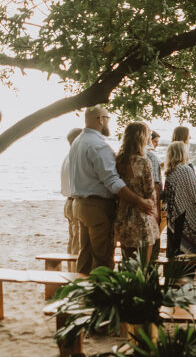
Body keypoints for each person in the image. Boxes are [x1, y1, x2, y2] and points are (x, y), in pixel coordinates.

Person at [69, 106, 154, 274]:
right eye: (107, 118)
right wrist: (139, 201)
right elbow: (113, 182)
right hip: (97, 207)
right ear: (100, 119)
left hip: (79, 205)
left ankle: (82, 293)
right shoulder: (98, 146)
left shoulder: (78, 142)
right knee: (103, 258)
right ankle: (99, 296)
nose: (109, 121)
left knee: (85, 255)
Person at [114, 123, 161, 262]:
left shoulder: (118, 160)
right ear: (141, 138)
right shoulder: (144, 162)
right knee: (143, 268)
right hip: (142, 216)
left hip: (123, 215)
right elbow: (149, 191)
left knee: (127, 263)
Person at [164, 141, 196, 256]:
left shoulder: (170, 172)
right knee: (188, 257)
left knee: (176, 254)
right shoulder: (185, 169)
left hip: (173, 218)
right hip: (186, 218)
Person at [61, 128, 83, 255]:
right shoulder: (76, 158)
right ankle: (74, 271)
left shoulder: (68, 157)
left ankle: (71, 269)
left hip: (68, 202)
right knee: (78, 241)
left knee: (73, 238)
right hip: (75, 201)